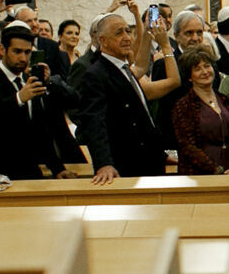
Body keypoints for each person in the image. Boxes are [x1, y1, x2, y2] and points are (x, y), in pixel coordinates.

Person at [77, 10, 182, 184]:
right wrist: (104, 164)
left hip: (149, 160)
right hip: (126, 166)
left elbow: (141, 116)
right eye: (119, 33)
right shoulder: (96, 75)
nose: (126, 37)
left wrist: (159, 154)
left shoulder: (124, 69)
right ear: (103, 41)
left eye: (128, 31)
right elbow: (94, 123)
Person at [0, 23, 80, 180]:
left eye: (27, 52)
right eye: (17, 51)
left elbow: (40, 131)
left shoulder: (28, 81)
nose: (23, 58)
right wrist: (18, 99)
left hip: (31, 171)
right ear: (3, 50)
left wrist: (57, 168)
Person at [171, 50, 229, 175]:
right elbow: (188, 147)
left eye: (207, 66)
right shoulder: (183, 106)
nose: (205, 72)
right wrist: (216, 170)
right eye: (197, 69)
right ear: (189, 77)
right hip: (200, 175)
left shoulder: (226, 100)